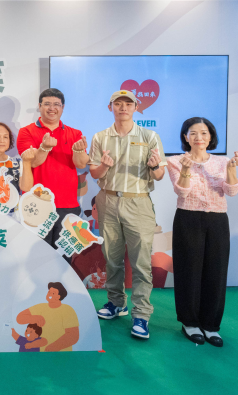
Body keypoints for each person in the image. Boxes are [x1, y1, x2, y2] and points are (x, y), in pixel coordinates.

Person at [89, 89, 166, 340]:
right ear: (110, 107)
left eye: (128, 103)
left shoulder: (150, 136)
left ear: (136, 107)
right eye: (118, 103)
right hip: (108, 200)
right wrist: (104, 165)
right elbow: (95, 173)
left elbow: (159, 175)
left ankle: (141, 315)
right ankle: (116, 303)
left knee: (141, 262)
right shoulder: (100, 137)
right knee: (111, 257)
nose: (123, 108)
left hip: (138, 202)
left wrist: (154, 166)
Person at [166, 117, 238, 347]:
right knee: (188, 270)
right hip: (188, 218)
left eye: (204, 133)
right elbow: (182, 192)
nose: (199, 137)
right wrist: (187, 169)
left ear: (211, 137)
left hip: (217, 220)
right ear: (185, 137)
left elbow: (231, 191)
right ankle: (189, 323)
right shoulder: (175, 161)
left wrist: (231, 170)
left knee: (216, 271)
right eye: (193, 133)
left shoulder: (222, 161)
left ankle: (211, 325)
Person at [16, 89, 89, 250]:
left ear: (62, 107)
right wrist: (44, 147)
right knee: (37, 253)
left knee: (64, 256)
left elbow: (81, 164)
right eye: (47, 104)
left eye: (56, 104)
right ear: (39, 106)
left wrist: (78, 151)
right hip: (37, 203)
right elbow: (32, 162)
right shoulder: (26, 131)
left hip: (68, 204)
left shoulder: (75, 133)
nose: (52, 108)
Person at [16, 282, 79, 351]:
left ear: (58, 297)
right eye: (49, 292)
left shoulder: (67, 310)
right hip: (41, 353)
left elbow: (73, 336)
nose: (49, 294)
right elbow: (19, 318)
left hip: (61, 354)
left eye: (53, 293)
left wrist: (54, 346)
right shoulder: (41, 307)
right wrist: (34, 318)